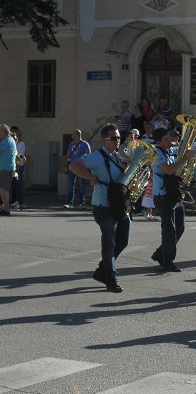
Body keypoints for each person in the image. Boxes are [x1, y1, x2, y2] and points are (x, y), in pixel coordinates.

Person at [69, 123, 130, 293]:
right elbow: (73, 166)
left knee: (123, 241)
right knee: (109, 243)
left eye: (119, 137)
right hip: (103, 206)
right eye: (114, 138)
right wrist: (90, 176)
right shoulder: (96, 157)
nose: (118, 140)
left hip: (120, 205)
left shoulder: (119, 156)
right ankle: (111, 279)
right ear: (105, 140)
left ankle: (102, 270)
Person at [150, 127, 194, 272]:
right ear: (158, 141)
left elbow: (178, 166)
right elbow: (169, 170)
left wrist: (190, 155)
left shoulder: (169, 151)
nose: (170, 142)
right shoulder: (156, 153)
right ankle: (167, 262)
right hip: (163, 196)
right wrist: (185, 158)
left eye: (170, 138)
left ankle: (160, 253)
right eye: (166, 140)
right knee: (169, 231)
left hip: (173, 194)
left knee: (180, 228)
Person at [65, 129, 92, 209]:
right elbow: (68, 155)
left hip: (81, 167)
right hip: (72, 166)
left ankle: (81, 203)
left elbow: (89, 154)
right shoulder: (71, 144)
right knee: (70, 185)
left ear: (77, 134)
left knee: (81, 185)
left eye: (73, 134)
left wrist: (85, 163)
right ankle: (70, 203)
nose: (72, 136)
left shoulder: (85, 144)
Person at [0, 124, 17, 216]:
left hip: (5, 168)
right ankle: (4, 207)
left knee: (3, 189)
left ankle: (6, 209)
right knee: (3, 188)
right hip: (7, 168)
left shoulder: (6, 140)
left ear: (4, 132)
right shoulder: (8, 140)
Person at [9, 126, 26, 210]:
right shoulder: (12, 145)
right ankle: (16, 201)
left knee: (17, 185)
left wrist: (20, 159)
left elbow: (19, 155)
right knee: (13, 185)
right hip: (12, 168)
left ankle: (20, 202)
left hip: (17, 167)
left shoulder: (20, 144)